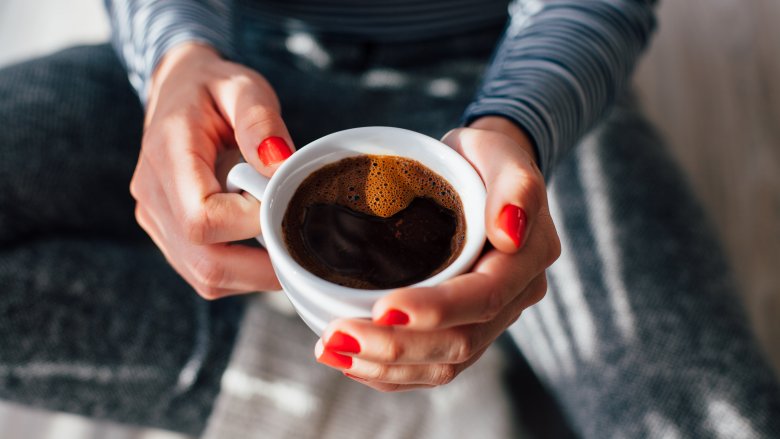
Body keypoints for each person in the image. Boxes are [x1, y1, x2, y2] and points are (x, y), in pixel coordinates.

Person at [1, 0, 778, 437]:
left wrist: (521, 122)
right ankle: (328, 391)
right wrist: (174, 59)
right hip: (241, 78)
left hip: (510, 93)